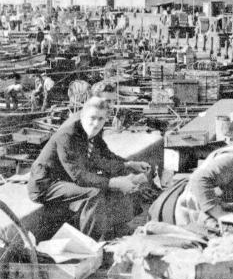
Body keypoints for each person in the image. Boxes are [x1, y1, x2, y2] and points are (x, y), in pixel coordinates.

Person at [27, 97, 151, 240]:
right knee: (95, 192)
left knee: (120, 175)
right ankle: (90, 242)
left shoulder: (91, 128)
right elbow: (79, 176)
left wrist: (129, 164)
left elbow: (104, 154)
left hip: (66, 178)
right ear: (83, 115)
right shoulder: (68, 134)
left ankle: (117, 229)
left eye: (101, 119)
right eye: (92, 118)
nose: (96, 123)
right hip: (47, 184)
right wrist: (115, 183)